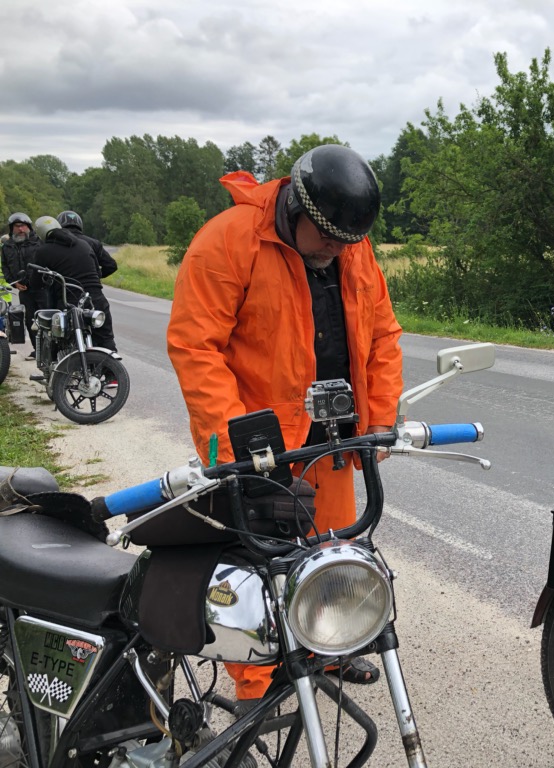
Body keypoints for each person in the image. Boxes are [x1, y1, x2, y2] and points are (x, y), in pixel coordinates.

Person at [166, 144, 404, 706]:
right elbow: (196, 347)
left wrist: (379, 421)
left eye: (347, 241)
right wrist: (238, 447)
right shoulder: (228, 241)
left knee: (333, 554)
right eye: (328, 238)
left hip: (335, 438)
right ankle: (254, 690)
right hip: (262, 445)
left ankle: (327, 651)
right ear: (297, 206)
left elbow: (384, 335)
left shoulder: (350, 246)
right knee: (257, 569)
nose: (337, 250)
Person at [29, 217, 118, 352]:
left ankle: (57, 363)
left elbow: (35, 283)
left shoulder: (43, 251)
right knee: (106, 339)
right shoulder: (84, 244)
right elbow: (97, 270)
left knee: (58, 340)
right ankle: (112, 365)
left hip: (69, 300)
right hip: (96, 298)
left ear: (40, 234)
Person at [1, 213, 42, 355]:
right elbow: (5, 267)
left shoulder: (38, 242)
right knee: (29, 321)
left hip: (42, 288)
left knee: (45, 319)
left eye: (23, 226)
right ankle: (37, 350)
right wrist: (14, 284)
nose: (20, 229)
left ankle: (51, 351)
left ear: (28, 227)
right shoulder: (7, 246)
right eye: (17, 226)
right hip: (23, 290)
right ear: (12, 228)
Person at [57, 211, 119, 278]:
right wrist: (95, 276)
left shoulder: (54, 241)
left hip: (62, 282)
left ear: (58, 225)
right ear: (80, 224)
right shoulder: (94, 243)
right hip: (88, 283)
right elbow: (111, 265)